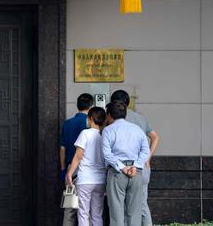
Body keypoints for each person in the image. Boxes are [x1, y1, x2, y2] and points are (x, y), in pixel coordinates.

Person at [110, 90, 161, 226]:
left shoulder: (113, 119)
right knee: (141, 205)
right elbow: (155, 137)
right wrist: (147, 158)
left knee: (120, 206)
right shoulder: (140, 118)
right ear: (128, 102)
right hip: (140, 167)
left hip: (120, 169)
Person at [101, 101, 150, 226]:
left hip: (117, 173)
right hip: (136, 172)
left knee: (116, 213)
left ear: (109, 115)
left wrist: (122, 168)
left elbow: (107, 154)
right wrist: (136, 166)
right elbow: (146, 151)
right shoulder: (137, 129)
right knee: (135, 212)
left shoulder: (108, 130)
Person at [66, 106, 107, 226]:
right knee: (97, 215)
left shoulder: (85, 133)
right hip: (100, 180)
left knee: (83, 214)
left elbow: (78, 156)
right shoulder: (105, 135)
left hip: (85, 180)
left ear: (90, 119)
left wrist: (69, 174)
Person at [60, 93, 94, 226]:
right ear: (91, 107)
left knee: (70, 207)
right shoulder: (90, 124)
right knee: (88, 208)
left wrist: (64, 169)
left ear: (77, 105)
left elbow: (62, 148)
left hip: (70, 169)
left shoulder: (67, 123)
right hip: (87, 169)